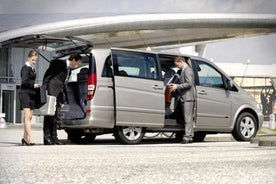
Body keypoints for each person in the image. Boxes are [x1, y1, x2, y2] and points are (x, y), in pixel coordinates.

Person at [43, 53, 83, 145]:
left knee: (55, 117)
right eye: (78, 63)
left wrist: (62, 99)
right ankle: (47, 138)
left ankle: (54, 138)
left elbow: (63, 84)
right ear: (73, 60)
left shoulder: (69, 69)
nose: (77, 65)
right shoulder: (58, 63)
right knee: (49, 115)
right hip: (51, 90)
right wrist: (45, 89)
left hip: (59, 94)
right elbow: (47, 75)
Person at [169, 56, 195, 144]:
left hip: (187, 98)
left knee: (187, 118)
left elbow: (189, 83)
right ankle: (190, 136)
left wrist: (177, 86)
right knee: (188, 118)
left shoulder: (187, 70)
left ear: (180, 62)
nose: (177, 67)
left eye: (177, 65)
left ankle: (187, 137)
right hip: (185, 97)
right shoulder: (185, 70)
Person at [19, 50, 40, 146]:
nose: (34, 62)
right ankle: (30, 138)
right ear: (28, 58)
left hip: (32, 94)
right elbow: (24, 81)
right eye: (33, 60)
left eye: (36, 60)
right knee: (27, 116)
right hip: (25, 93)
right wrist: (33, 84)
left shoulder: (32, 68)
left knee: (30, 117)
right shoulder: (25, 68)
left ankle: (24, 138)